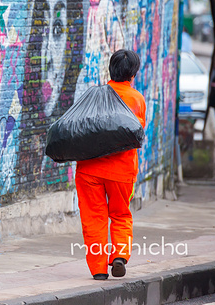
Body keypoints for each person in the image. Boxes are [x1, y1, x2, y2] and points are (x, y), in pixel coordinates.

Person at [75, 49, 146, 280]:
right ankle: (119, 256)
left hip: (89, 170)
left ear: (110, 70)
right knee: (120, 214)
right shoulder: (137, 100)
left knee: (93, 218)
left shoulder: (93, 96)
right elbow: (137, 134)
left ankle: (98, 270)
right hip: (122, 171)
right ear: (132, 74)